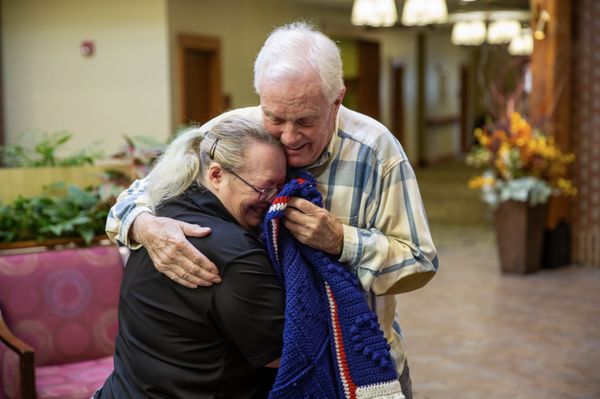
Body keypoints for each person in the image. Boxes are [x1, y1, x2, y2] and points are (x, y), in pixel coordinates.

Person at [106, 21, 438, 399]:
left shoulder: (377, 152)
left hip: (360, 370)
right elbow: (133, 199)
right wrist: (146, 225)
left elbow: (420, 261)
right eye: (275, 118)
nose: (289, 138)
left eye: (306, 121)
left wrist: (342, 241)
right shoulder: (229, 133)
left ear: (337, 100)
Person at [96, 115, 287, 398]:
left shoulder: (158, 215)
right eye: (263, 188)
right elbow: (283, 356)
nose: (274, 200)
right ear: (216, 175)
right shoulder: (234, 253)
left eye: (280, 189)